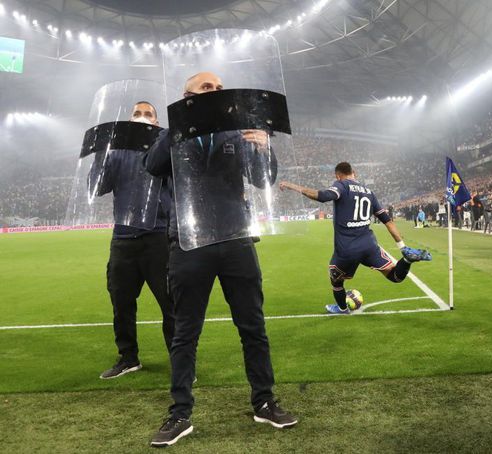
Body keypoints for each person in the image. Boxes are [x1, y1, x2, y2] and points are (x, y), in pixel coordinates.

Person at [144, 71, 296, 447]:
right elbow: (152, 165)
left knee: (253, 328)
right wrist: (179, 122)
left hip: (236, 239)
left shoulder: (237, 132)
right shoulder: (175, 134)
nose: (215, 91)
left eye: (218, 88)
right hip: (189, 243)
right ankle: (180, 413)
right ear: (187, 97)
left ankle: (264, 401)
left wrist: (264, 147)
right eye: (205, 88)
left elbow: (264, 181)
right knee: (185, 334)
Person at [279, 162, 432, 314]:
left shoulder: (341, 185)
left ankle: (342, 308)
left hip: (347, 248)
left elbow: (323, 196)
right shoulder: (369, 192)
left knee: (336, 281)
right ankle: (407, 260)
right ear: (354, 173)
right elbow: (388, 221)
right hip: (369, 246)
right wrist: (402, 247)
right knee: (394, 276)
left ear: (338, 176)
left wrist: (292, 186)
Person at [92, 101, 175, 380]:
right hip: (124, 238)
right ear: (129, 120)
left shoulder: (166, 147)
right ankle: (128, 358)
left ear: (156, 122)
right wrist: (101, 154)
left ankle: (180, 360)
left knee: (171, 304)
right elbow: (96, 188)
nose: (141, 117)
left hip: (159, 237)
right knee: (121, 302)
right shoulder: (115, 152)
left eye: (147, 114)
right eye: (137, 114)